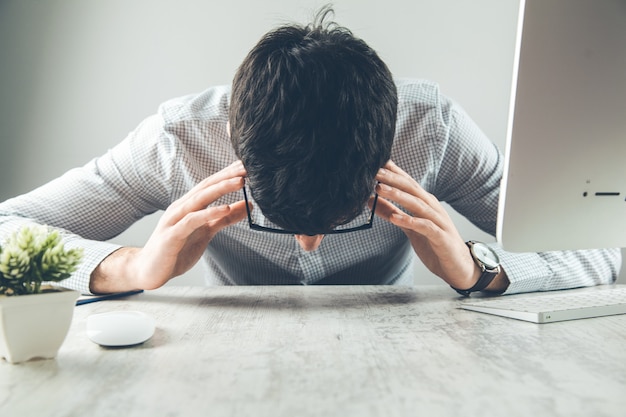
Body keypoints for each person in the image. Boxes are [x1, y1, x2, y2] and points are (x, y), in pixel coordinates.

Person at [0, 8, 620, 296]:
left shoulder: (432, 129)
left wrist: (479, 268)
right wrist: (129, 269)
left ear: (387, 155)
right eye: (276, 218)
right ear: (233, 147)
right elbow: (7, 227)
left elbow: (608, 245)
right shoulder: (178, 140)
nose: (309, 248)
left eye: (341, 217)